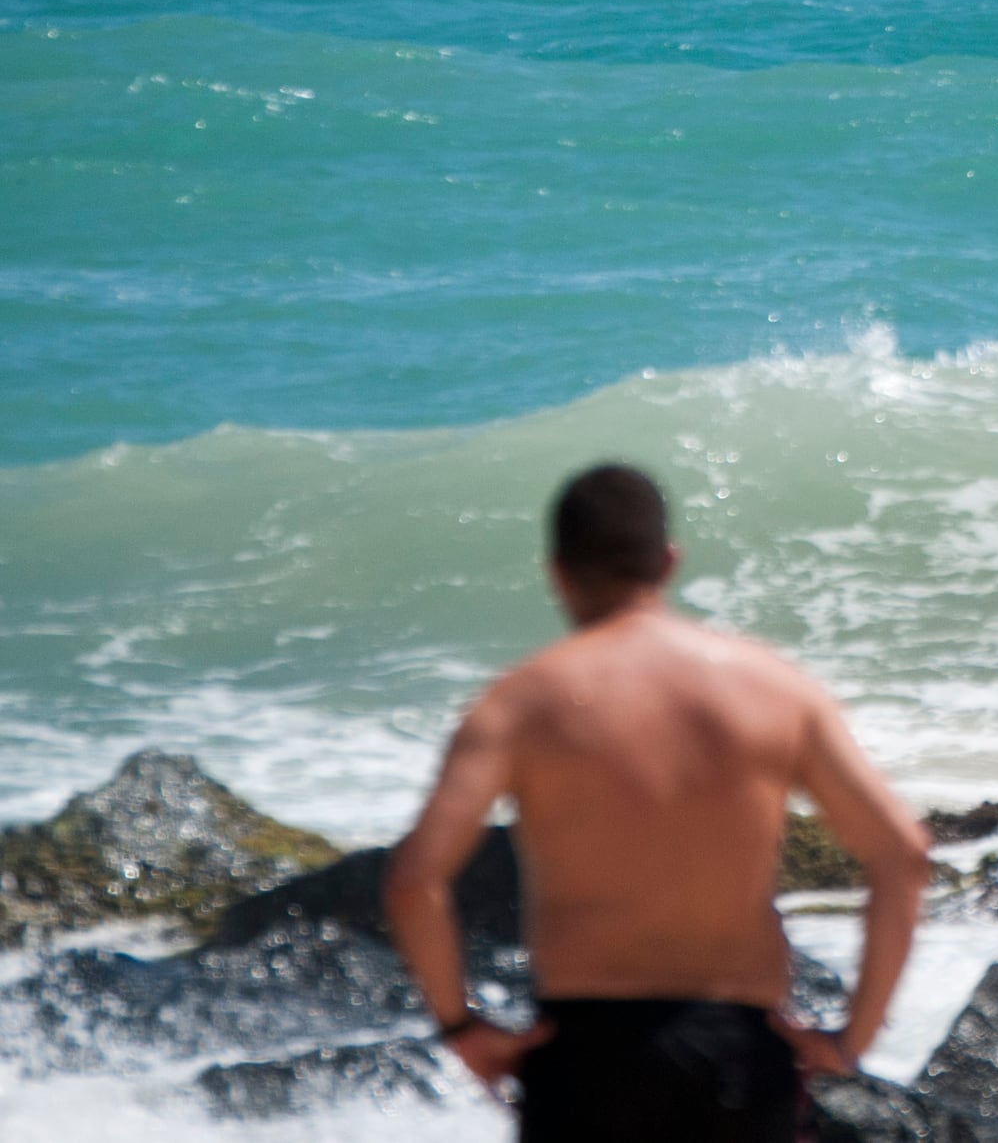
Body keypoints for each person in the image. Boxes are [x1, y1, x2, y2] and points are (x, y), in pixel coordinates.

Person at [384, 463, 933, 1143]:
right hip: (736, 1054)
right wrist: (852, 1039)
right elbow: (902, 855)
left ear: (557, 572)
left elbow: (416, 881)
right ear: (668, 562)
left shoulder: (521, 703)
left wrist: (462, 1027)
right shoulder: (773, 689)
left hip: (588, 1058)